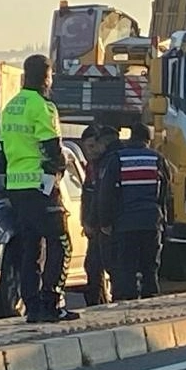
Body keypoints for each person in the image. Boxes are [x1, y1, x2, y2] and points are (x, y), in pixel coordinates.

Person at [0, 54, 78, 322]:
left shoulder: (10, 107)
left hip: (17, 188)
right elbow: (52, 150)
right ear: (46, 77)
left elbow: (4, 151)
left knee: (31, 247)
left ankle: (32, 306)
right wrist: (60, 167)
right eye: (51, 76)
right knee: (61, 242)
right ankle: (52, 302)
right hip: (40, 185)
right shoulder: (42, 107)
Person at [97, 121, 172, 300]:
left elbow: (106, 193)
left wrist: (105, 221)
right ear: (148, 140)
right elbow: (166, 194)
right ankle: (150, 296)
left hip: (125, 222)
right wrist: (164, 220)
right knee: (150, 264)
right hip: (151, 220)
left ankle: (127, 298)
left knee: (126, 265)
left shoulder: (118, 159)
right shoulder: (157, 159)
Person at [77, 124, 118, 305]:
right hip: (95, 225)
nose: (90, 151)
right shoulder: (91, 167)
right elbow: (87, 196)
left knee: (110, 266)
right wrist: (85, 221)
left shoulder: (108, 164)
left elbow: (103, 196)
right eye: (87, 148)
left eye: (93, 146)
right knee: (92, 267)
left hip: (106, 224)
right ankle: (96, 304)